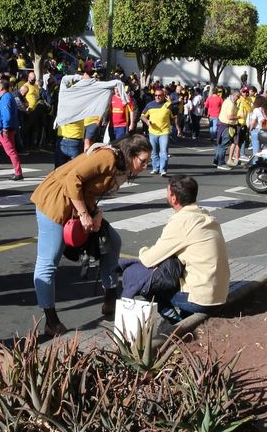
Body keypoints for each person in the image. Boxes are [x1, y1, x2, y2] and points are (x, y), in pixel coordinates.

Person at [29, 134, 151, 335]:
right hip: (55, 201)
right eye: (143, 161)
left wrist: (96, 213)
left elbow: (87, 189)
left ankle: (110, 298)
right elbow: (72, 179)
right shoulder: (108, 157)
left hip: (76, 203)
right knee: (48, 263)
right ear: (131, 154)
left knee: (112, 241)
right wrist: (85, 214)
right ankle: (51, 320)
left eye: (148, 162)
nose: (145, 166)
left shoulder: (121, 166)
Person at [119, 175, 230, 321]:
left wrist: (143, 251)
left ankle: (175, 322)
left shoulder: (181, 222)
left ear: (174, 198)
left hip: (201, 300)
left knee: (143, 281)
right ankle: (185, 317)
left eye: (167, 192)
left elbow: (148, 260)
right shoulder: (205, 215)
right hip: (220, 294)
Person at [141, 87, 176, 176]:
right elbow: (142, 115)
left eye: (160, 95)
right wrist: (147, 121)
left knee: (163, 151)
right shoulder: (150, 105)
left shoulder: (168, 105)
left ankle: (163, 170)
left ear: (164, 96)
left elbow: (174, 116)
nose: (157, 97)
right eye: (156, 95)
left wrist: (171, 103)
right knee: (154, 151)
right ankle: (156, 168)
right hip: (152, 132)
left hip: (164, 132)